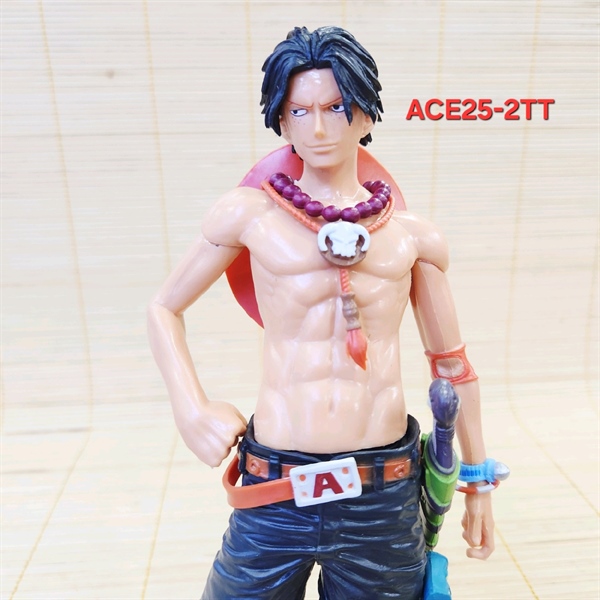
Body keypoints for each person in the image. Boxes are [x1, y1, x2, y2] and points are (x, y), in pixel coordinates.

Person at [147, 26, 494, 600]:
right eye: (299, 111)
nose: (318, 127)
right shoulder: (249, 217)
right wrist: (191, 409)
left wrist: (478, 481)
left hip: (382, 493)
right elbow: (164, 306)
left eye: (336, 107)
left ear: (365, 113)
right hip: (275, 487)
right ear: (281, 122)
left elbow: (452, 366)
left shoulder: (413, 238)